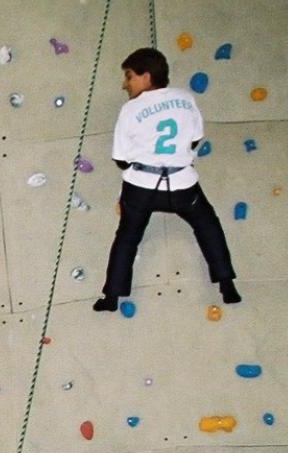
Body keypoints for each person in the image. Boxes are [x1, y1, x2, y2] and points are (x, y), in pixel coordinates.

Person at [94, 46, 239, 312]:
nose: (125, 84)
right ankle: (227, 284)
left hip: (141, 188)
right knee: (208, 226)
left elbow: (120, 159)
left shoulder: (131, 109)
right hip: (183, 184)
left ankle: (112, 297)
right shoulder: (186, 99)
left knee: (127, 237)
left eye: (129, 76)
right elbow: (195, 137)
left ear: (146, 76)